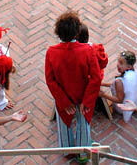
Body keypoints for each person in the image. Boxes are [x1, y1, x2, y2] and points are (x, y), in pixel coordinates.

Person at [45, 11, 102, 162]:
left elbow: (50, 80)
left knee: (64, 124)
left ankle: (67, 150)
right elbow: (96, 78)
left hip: (64, 98)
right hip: (83, 96)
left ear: (58, 33)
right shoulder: (88, 50)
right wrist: (87, 101)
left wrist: (64, 102)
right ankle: (83, 154)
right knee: (83, 125)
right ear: (77, 31)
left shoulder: (51, 52)